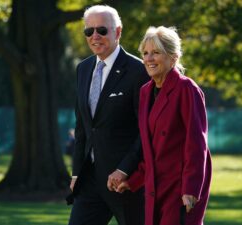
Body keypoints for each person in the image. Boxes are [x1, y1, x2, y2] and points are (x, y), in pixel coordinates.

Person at [113, 26, 212, 225]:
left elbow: (196, 144)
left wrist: (191, 189)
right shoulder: (145, 91)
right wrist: (133, 180)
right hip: (154, 188)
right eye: (146, 53)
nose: (149, 59)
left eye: (156, 53)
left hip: (179, 187)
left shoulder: (186, 89)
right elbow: (151, 148)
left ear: (173, 57)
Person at [67, 5, 149, 225]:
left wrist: (125, 169)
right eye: (89, 31)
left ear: (118, 32)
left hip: (126, 181)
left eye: (102, 30)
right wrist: (76, 173)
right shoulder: (83, 69)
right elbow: (83, 126)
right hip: (90, 180)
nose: (95, 36)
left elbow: (145, 129)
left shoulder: (139, 71)